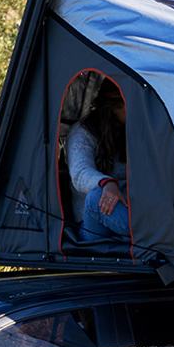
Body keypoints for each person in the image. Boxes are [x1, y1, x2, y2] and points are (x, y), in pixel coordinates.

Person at [67, 78, 131, 241]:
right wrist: (107, 183)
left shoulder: (132, 131)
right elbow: (80, 173)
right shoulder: (82, 132)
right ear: (115, 107)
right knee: (96, 196)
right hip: (92, 225)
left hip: (127, 210)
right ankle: (154, 238)